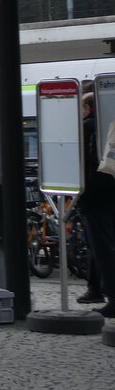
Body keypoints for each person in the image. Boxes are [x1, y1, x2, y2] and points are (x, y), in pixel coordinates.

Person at [76, 92, 115, 317]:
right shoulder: (108, 124)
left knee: (102, 247)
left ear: (88, 108)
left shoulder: (87, 127)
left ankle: (112, 296)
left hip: (96, 195)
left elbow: (80, 162)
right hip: (110, 192)